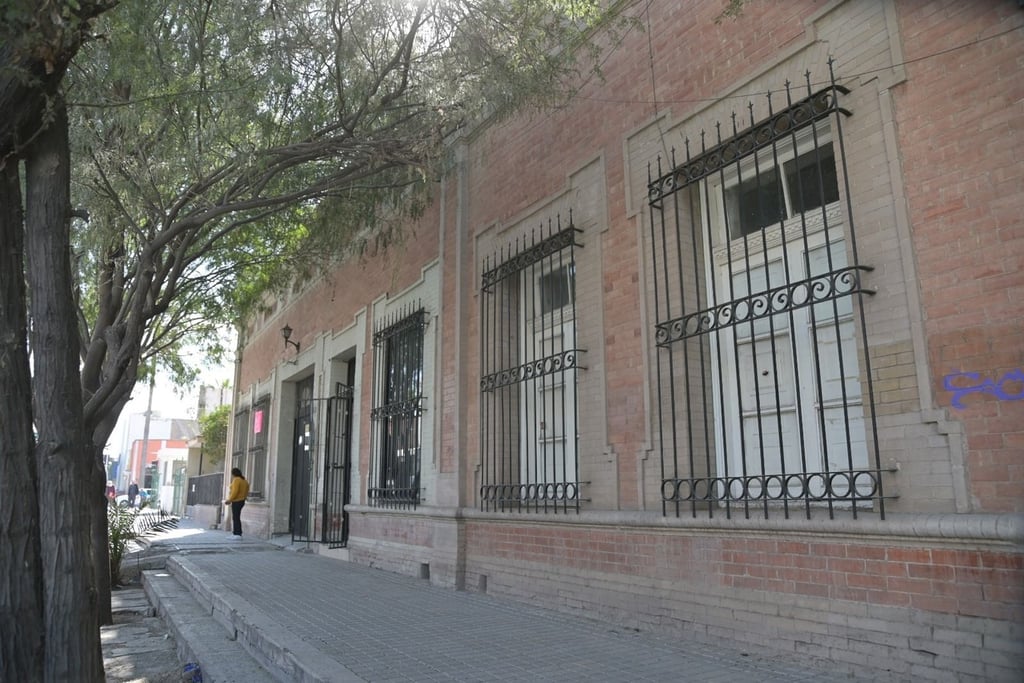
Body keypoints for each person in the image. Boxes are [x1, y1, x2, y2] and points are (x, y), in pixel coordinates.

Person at [223, 468, 250, 539]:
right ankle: (236, 533)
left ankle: (237, 534)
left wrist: (229, 500)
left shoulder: (236, 480)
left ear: (233, 474)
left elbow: (235, 491)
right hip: (242, 501)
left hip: (236, 501)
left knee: (235, 517)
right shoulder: (244, 481)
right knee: (236, 517)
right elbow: (247, 490)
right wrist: (244, 497)